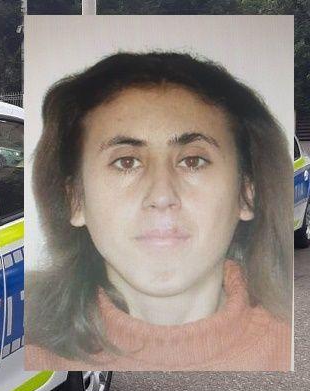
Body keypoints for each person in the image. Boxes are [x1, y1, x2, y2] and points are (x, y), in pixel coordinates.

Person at [25, 52, 292, 371]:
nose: (162, 196)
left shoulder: (290, 347)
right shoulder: (31, 358)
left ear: (246, 194)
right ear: (76, 200)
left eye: (193, 161)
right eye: (126, 162)